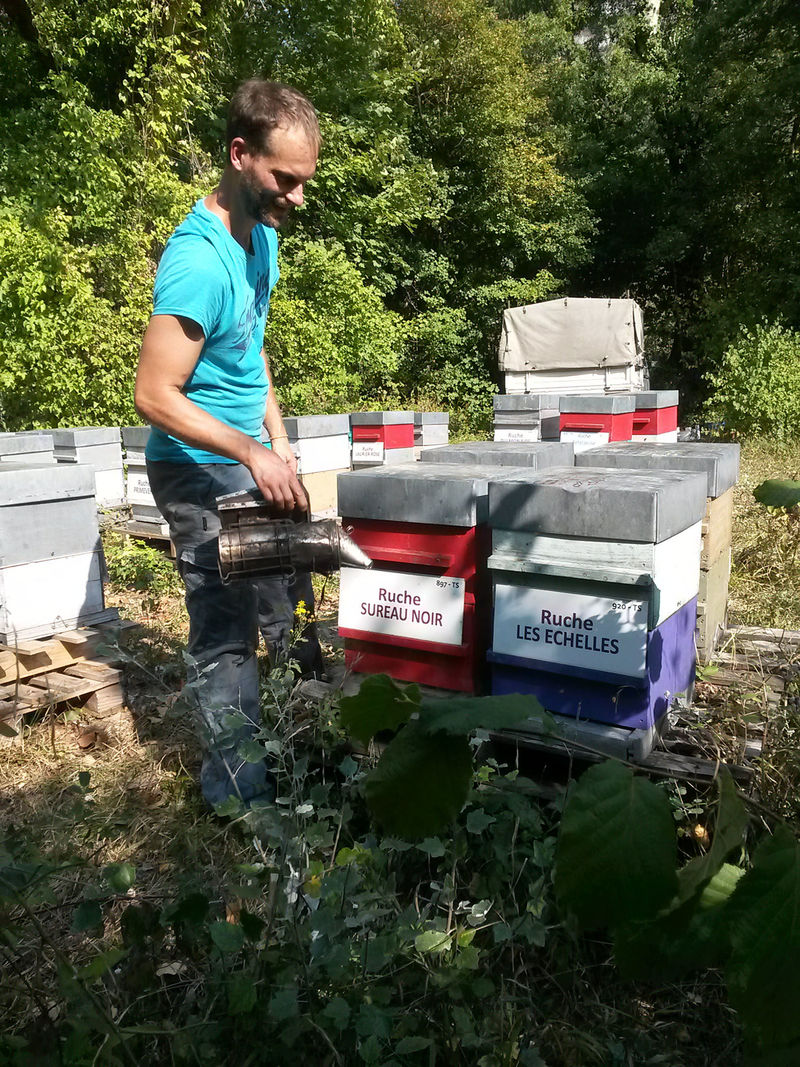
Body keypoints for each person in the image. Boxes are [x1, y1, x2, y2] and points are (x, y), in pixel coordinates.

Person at [134, 79, 323, 811]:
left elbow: (250, 351)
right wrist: (250, 455)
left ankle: (300, 754)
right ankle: (240, 801)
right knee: (228, 631)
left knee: (291, 598)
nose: (297, 197)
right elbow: (154, 394)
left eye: (305, 181)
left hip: (251, 451)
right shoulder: (198, 261)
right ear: (240, 154)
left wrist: (278, 438)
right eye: (285, 179)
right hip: (195, 467)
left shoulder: (263, 239)